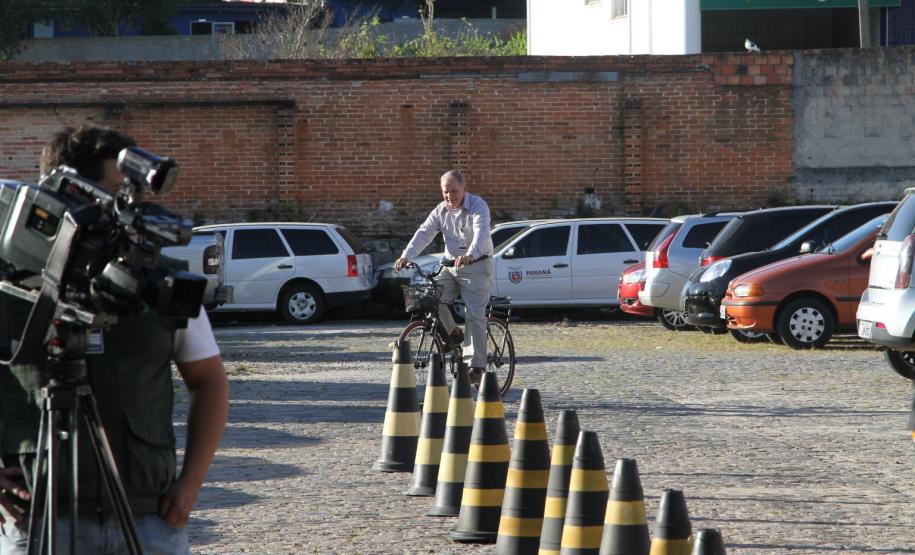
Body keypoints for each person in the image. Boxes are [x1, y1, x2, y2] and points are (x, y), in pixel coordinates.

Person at [0, 125, 229, 554]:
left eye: (133, 196)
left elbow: (210, 380)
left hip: (146, 518)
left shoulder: (160, 281)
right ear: (66, 193)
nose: (128, 211)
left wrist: (191, 485)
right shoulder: (8, 284)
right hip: (38, 517)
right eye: (114, 194)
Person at [395, 170, 494, 383]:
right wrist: (406, 256)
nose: (450, 196)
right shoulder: (441, 210)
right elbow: (424, 232)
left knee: (474, 313)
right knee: (428, 298)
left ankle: (476, 365)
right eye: (445, 192)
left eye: (454, 191)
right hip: (449, 266)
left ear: (464, 189)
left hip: (476, 265)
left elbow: (481, 232)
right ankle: (454, 334)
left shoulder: (478, 206)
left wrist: (470, 254)